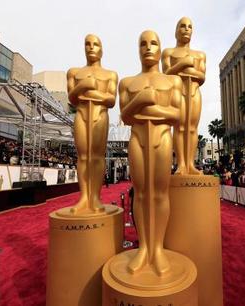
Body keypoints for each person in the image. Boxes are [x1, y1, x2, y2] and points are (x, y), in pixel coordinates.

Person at [119, 30, 182, 275]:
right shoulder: (127, 82)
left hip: (162, 138)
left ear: (160, 46)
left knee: (160, 193)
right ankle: (144, 247)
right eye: (143, 43)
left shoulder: (172, 81)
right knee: (142, 193)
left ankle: (157, 248)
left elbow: (177, 115)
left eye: (153, 43)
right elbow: (125, 116)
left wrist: (149, 108)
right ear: (138, 48)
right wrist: (140, 100)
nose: (148, 47)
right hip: (138, 138)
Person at [66, 34, 118, 214]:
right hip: (81, 114)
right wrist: (83, 86)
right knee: (83, 156)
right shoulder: (74, 72)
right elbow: (72, 98)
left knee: (96, 156)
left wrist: (91, 92)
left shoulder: (110, 74)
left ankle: (95, 196)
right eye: (87, 44)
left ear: (101, 49)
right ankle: (84, 197)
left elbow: (111, 100)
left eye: (95, 44)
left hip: (100, 115)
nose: (91, 47)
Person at [162, 17, 206, 175]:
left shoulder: (200, 55)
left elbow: (201, 76)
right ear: (176, 31)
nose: (186, 29)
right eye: (182, 26)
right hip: (177, 92)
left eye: (189, 26)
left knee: (192, 128)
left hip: (194, 91)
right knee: (179, 127)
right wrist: (183, 64)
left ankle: (190, 164)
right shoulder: (169, 52)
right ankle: (181, 163)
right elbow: (166, 73)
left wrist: (184, 69)